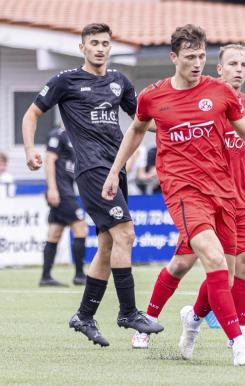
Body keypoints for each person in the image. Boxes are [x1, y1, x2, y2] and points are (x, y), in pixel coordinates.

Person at [103, 25, 245, 366]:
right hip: (183, 190)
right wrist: (116, 170)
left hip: (223, 191)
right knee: (211, 256)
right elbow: (134, 131)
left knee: (227, 270)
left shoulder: (220, 93)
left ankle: (192, 319)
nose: (197, 63)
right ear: (174, 57)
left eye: (202, 56)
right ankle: (237, 344)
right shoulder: (153, 96)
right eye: (190, 57)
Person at [22, 23, 163, 348]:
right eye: (94, 43)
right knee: (125, 233)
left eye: (105, 43)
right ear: (83, 48)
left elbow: (142, 122)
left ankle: (84, 315)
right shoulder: (65, 80)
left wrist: (178, 128)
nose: (100, 48)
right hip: (92, 171)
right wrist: (31, 149)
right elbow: (31, 114)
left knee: (108, 245)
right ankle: (128, 311)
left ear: (110, 47)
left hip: (117, 169)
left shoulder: (119, 82)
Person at [39, 125, 88, 287]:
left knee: (54, 232)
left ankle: (46, 277)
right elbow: (49, 160)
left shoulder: (75, 136)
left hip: (66, 190)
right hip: (61, 192)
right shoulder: (58, 135)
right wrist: (52, 189)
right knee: (81, 228)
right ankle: (80, 275)